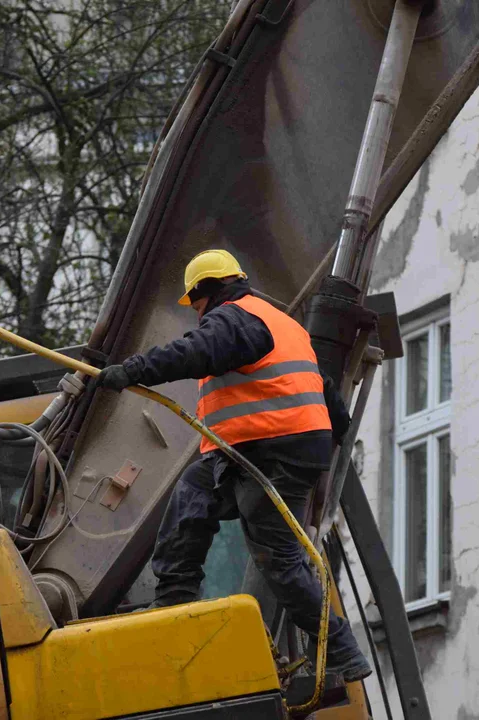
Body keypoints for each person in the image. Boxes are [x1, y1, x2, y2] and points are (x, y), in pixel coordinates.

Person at [98, 249, 373, 683]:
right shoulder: (280, 323)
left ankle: (341, 649)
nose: (197, 316)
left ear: (205, 291)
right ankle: (174, 597)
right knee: (194, 492)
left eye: (196, 305)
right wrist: (329, 436)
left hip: (272, 451)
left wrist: (131, 371)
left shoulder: (233, 318)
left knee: (279, 561)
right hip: (257, 451)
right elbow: (325, 392)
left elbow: (197, 351)